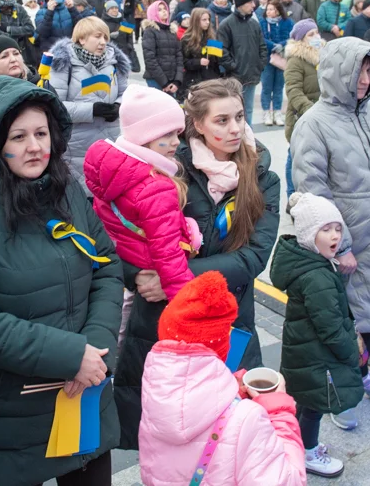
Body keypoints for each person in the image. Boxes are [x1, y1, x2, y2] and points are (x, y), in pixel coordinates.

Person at [0, 76, 122, 486]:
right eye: (19, 135)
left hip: (81, 394)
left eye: (41, 133)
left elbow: (105, 264)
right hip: (9, 417)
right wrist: (70, 355)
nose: (35, 146)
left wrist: (95, 348)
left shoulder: (66, 190)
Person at [116, 78, 280, 449]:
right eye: (221, 120)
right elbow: (119, 233)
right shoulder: (167, 168)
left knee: (224, 432)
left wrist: (175, 276)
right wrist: (137, 275)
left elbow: (253, 256)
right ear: (198, 125)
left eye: (239, 116)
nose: (235, 128)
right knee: (165, 431)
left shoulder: (262, 177)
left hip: (228, 316)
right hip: (163, 318)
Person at [290, 37, 370, 428]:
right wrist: (341, 246)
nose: (365, 78)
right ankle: (339, 389)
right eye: (359, 69)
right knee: (340, 324)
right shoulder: (314, 124)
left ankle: (361, 372)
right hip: (348, 246)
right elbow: (311, 192)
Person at [138, 271, 308, 485]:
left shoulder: (154, 388)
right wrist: (279, 412)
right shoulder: (247, 418)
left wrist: (229, 391)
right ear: (222, 346)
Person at [272, 192, 364, 478]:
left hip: (305, 352)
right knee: (314, 406)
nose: (335, 234)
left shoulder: (311, 263)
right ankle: (308, 453)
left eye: (337, 227)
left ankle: (298, 444)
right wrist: (352, 354)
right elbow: (331, 327)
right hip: (316, 357)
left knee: (305, 403)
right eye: (325, 229)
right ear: (308, 235)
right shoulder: (317, 276)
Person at [84, 86, 202, 302]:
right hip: (152, 273)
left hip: (127, 266)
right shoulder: (156, 186)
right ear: (144, 136)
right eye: (167, 134)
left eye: (177, 132)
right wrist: (185, 298)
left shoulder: (115, 172)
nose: (176, 141)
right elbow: (168, 253)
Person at [48, 17, 130, 192]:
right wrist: (92, 110)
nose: (103, 42)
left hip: (111, 137)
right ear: (81, 39)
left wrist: (118, 105)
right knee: (83, 194)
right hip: (77, 144)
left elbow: (125, 92)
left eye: (105, 38)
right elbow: (55, 105)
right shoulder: (63, 63)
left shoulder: (114, 61)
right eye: (97, 37)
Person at [283, 19, 323, 196]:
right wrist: (311, 110)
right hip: (303, 116)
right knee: (295, 156)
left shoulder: (324, 55)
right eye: (310, 34)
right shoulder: (296, 60)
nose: (316, 37)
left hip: (324, 115)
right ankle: (293, 194)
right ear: (301, 39)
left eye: (316, 32)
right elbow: (293, 90)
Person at [218, 0, 267, 126]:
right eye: (250, 2)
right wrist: (233, 67)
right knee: (234, 112)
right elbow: (221, 51)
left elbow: (262, 47)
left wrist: (260, 65)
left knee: (248, 111)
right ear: (241, 4)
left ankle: (249, 142)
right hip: (234, 78)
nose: (253, 5)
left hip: (251, 76)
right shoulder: (226, 25)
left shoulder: (254, 24)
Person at [259, 0, 292, 126]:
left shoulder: (287, 22)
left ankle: (277, 112)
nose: (269, 12)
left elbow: (291, 36)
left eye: (271, 9)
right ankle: (267, 112)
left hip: (282, 58)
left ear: (278, 10)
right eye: (267, 9)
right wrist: (272, 45)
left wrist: (282, 45)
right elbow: (261, 38)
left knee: (279, 87)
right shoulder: (262, 22)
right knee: (267, 87)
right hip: (267, 58)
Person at [142, 0, 183, 94]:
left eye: (165, 8)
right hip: (156, 80)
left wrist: (177, 81)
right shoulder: (150, 31)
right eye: (160, 10)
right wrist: (164, 83)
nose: (164, 11)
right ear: (153, 13)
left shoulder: (172, 31)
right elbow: (150, 59)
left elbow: (179, 57)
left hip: (173, 81)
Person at [181, 7, 222, 91]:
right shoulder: (187, 39)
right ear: (196, 21)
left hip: (211, 80)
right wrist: (198, 62)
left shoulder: (213, 38)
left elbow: (217, 63)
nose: (207, 22)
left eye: (208, 19)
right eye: (204, 20)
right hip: (194, 80)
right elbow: (184, 61)